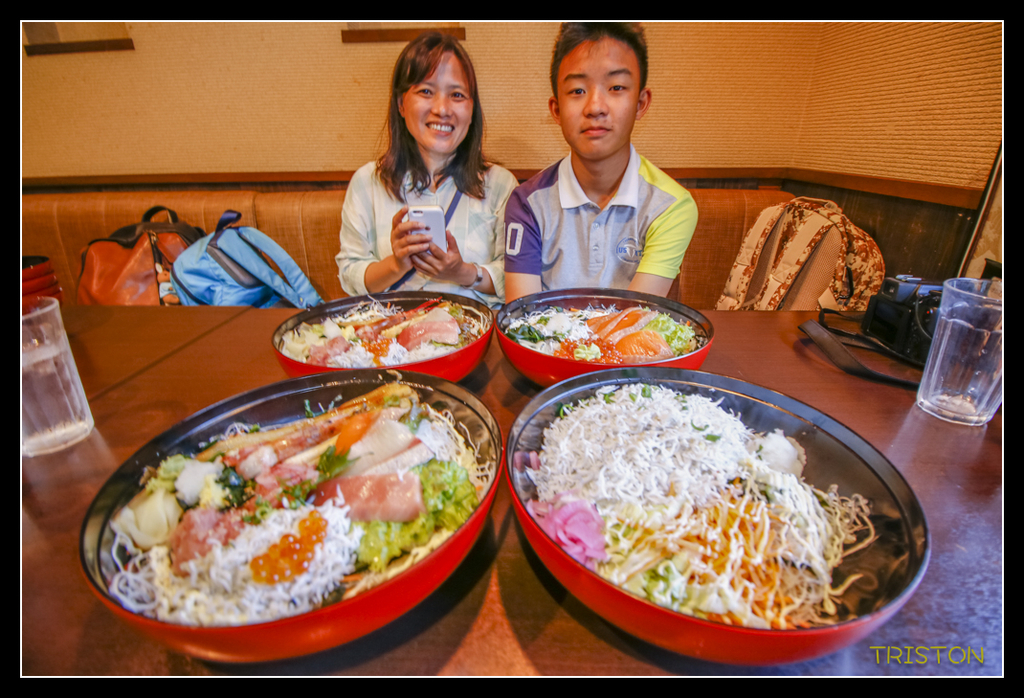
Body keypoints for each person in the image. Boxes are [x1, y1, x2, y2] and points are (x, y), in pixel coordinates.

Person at [503, 23, 699, 303]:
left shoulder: (671, 206)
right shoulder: (527, 204)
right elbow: (521, 317)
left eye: (616, 87)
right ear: (556, 109)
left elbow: (633, 317)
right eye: (577, 91)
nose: (595, 107)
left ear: (641, 103)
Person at [337, 32, 517, 306]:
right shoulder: (367, 183)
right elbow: (350, 273)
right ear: (401, 103)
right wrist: (396, 264)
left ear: (472, 109)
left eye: (457, 95)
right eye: (426, 92)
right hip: (394, 327)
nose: (442, 109)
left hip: (474, 327)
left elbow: (516, 275)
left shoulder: (501, 185)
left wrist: (462, 272)